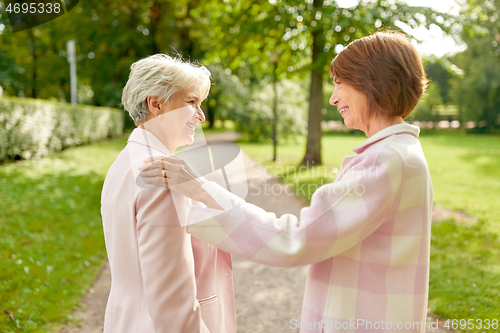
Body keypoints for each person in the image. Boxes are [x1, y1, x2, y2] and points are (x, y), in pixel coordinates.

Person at [140, 31, 433, 333]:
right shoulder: (399, 153)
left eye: (339, 83)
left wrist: (194, 202)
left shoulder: (384, 161)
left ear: (373, 81)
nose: (333, 98)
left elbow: (295, 240)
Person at [100, 54, 235, 333]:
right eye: (191, 102)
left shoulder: (123, 162)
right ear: (156, 104)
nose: (201, 115)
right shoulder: (162, 176)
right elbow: (174, 306)